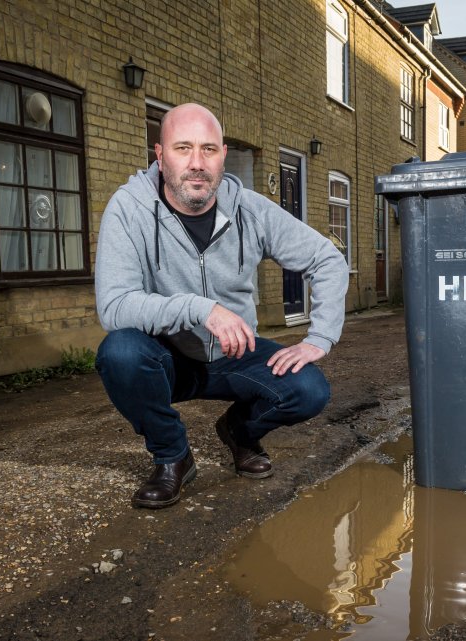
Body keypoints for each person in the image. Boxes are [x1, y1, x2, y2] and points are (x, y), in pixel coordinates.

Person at [94, 103, 349, 509]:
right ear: (160, 156)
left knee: (309, 389)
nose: (197, 163)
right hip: (167, 357)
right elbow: (115, 306)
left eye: (208, 150)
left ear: (223, 156)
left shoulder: (249, 209)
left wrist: (319, 337)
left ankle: (240, 433)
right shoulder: (130, 208)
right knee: (120, 352)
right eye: (183, 149)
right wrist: (201, 308)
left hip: (235, 354)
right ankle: (172, 456)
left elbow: (328, 259)